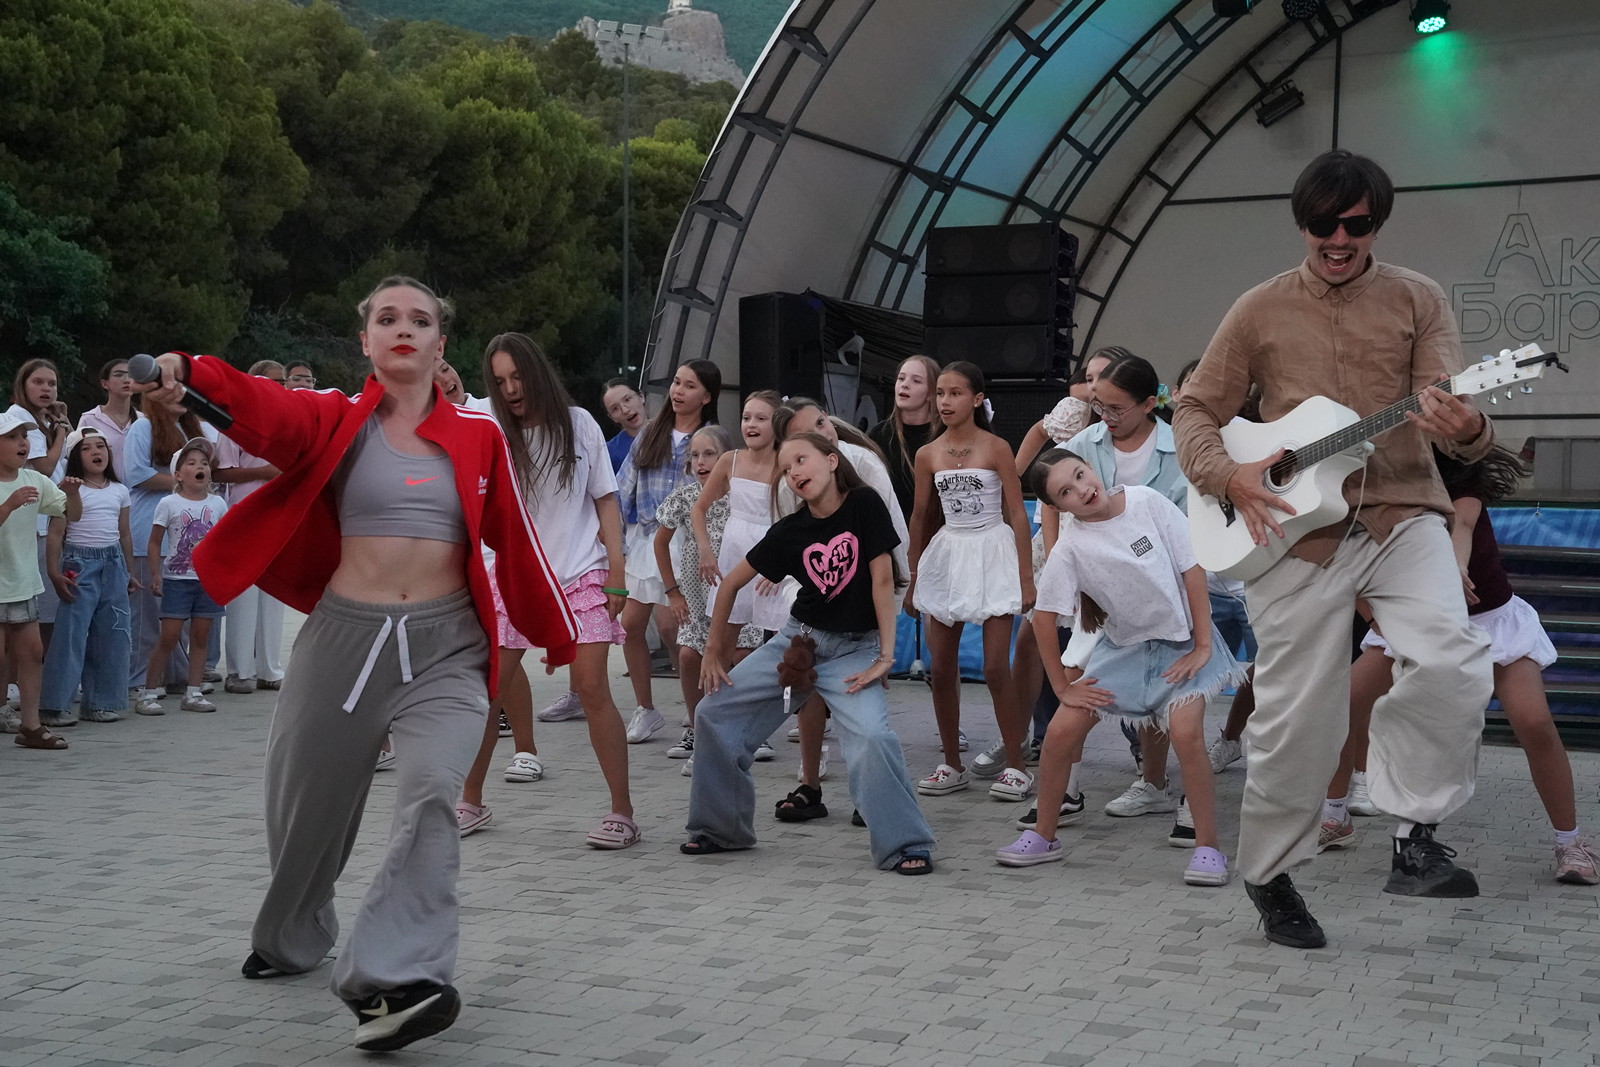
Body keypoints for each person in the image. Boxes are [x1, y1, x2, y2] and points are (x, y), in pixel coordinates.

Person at [136, 275, 577, 1053]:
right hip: (343, 640)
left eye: (421, 319)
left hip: (447, 649)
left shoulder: (479, 437)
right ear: (365, 339)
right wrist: (191, 371)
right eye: (387, 317)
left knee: (432, 795)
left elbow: (515, 535)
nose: (404, 327)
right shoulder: (335, 418)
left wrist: (557, 631)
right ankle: (291, 935)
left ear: (441, 343)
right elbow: (267, 409)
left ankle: (395, 979)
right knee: (305, 814)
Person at [1173, 149, 1495, 950]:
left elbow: (1451, 413)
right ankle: (1270, 873)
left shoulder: (1418, 297)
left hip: (1404, 510)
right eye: (1324, 223)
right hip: (1294, 528)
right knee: (1294, 722)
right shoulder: (1258, 308)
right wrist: (1228, 475)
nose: (1339, 238)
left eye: (1356, 223)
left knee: (1453, 661)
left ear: (1376, 223)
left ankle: (1412, 829)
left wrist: (1469, 427)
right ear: (1303, 223)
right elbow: (1195, 409)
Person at [1321, 445, 1598, 884]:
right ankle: (1334, 816)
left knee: (1534, 723)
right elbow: (1350, 569)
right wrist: (1378, 620)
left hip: (1491, 622)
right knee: (1344, 705)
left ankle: (1571, 843)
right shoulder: (1369, 491)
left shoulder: (1459, 481)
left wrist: (1454, 570)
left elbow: (1462, 527)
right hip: (1415, 623)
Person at [681, 433, 936, 873]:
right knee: (712, 712)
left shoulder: (864, 504)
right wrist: (713, 651)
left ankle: (905, 843)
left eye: (801, 460)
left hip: (856, 651)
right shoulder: (790, 530)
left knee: (873, 737)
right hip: (797, 644)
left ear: (832, 460)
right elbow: (730, 583)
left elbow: (882, 580)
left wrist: (885, 657)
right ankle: (721, 830)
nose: (794, 473)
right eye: (786, 469)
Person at [995, 449, 1241, 884]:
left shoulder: (1146, 501)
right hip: (1122, 651)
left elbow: (1192, 568)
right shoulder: (1070, 547)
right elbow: (1044, 616)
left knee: (1186, 735)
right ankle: (1044, 836)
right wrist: (1062, 686)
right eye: (1065, 492)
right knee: (1060, 733)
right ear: (1057, 507)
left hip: (1182, 645)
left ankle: (1208, 848)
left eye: (1080, 474)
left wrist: (1203, 645)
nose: (1081, 490)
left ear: (1092, 467)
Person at [454, 333, 636, 849]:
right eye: (500, 381)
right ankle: (469, 801)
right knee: (489, 692)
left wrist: (617, 571)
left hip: (580, 574)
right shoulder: (489, 426)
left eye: (518, 376)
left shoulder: (579, 424)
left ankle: (622, 813)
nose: (511, 389)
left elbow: (605, 500)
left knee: (593, 687)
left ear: (537, 373)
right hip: (512, 576)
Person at [770, 398, 911, 814]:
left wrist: (890, 604)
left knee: (860, 698)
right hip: (813, 595)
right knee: (807, 681)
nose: (823, 431)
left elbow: (891, 537)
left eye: (821, 421)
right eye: (807, 431)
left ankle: (869, 795)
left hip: (866, 597)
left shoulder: (863, 464)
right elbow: (787, 541)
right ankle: (810, 784)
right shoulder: (788, 480)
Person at [905, 361, 1035, 802]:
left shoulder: (997, 447)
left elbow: (1017, 513)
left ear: (977, 399)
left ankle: (1016, 765)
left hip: (992, 552)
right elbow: (920, 517)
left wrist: (1026, 577)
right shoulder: (928, 454)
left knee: (997, 666)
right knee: (941, 668)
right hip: (948, 554)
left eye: (956, 393)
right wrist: (913, 579)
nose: (945, 402)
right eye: (940, 393)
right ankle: (951, 763)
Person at [615, 360, 721, 742]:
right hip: (649, 538)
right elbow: (622, 487)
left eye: (689, 385)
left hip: (689, 543)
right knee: (629, 625)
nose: (678, 391)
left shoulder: (711, 438)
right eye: (676, 382)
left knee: (673, 628)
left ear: (706, 396)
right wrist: (616, 544)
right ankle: (646, 709)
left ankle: (696, 713)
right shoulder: (650, 433)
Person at [653, 425, 764, 772]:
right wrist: (672, 592)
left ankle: (748, 728)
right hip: (697, 599)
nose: (700, 462)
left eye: (709, 454)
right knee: (688, 656)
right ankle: (698, 728)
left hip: (737, 596)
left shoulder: (741, 495)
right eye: (694, 456)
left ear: (727, 458)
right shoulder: (685, 498)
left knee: (742, 656)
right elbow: (659, 543)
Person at [39, 428, 135, 727]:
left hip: (113, 564)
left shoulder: (120, 490)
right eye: (87, 447)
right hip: (78, 565)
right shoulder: (68, 489)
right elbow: (57, 533)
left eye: (101, 446)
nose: (96, 452)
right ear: (75, 457)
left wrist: (129, 571)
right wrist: (54, 572)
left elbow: (124, 533)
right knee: (71, 636)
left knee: (113, 634)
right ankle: (54, 706)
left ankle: (100, 703)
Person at [0, 410, 79, 748]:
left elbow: (71, 514)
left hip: (22, 583)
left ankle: (30, 727)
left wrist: (72, 495)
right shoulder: (17, 489)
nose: (23, 443)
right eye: (12, 437)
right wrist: (9, 505)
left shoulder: (34, 479)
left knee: (32, 653)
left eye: (24, 436)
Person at [133, 438, 227, 715]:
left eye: (204, 463)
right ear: (178, 474)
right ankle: (148, 692)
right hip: (177, 580)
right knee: (169, 636)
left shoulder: (218, 503)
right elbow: (154, 542)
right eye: (192, 463)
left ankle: (193, 692)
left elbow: (225, 540)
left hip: (206, 581)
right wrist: (155, 573)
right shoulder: (169, 503)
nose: (200, 467)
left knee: (201, 636)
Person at [123, 401, 210, 690]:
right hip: (148, 531)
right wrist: (184, 484)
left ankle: (177, 677)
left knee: (177, 618)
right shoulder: (143, 426)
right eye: (172, 389)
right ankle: (139, 679)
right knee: (147, 618)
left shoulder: (187, 428)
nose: (180, 396)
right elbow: (137, 474)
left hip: (183, 542)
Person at [213, 361, 287, 695]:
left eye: (283, 381)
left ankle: (269, 669)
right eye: (273, 381)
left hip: (279, 512)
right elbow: (221, 472)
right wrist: (263, 473)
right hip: (245, 512)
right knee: (244, 594)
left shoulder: (286, 422)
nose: (279, 386)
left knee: (274, 594)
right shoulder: (234, 421)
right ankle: (239, 671)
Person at [692, 390, 786, 642]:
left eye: (761, 419)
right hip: (734, 554)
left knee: (781, 634)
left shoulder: (786, 464)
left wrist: (784, 562)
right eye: (746, 418)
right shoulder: (729, 460)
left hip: (773, 551)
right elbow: (699, 508)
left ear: (777, 423)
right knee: (723, 636)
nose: (751, 424)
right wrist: (705, 550)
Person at [7, 359, 71, 647]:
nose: (46, 389)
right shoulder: (19, 418)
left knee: (46, 609)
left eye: (52, 384)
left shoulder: (43, 419)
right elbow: (45, 466)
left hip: (50, 517)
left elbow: (66, 461)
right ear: (23, 385)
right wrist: (61, 432)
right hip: (31, 521)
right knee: (31, 612)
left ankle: (39, 668)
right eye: (38, 382)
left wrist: (60, 424)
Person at [867, 354, 942, 519]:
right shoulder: (879, 434)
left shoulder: (944, 435)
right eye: (901, 378)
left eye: (916, 381)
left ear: (932, 394)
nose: (905, 385)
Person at [76, 357, 146, 480]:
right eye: (119, 375)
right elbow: (79, 459)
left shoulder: (144, 421)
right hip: (105, 488)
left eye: (131, 376)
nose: (126, 380)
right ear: (105, 384)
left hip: (140, 489)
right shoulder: (90, 419)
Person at [602, 378, 648, 474]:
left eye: (627, 399)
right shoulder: (609, 453)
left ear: (641, 396)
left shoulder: (673, 433)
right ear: (612, 418)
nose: (625, 410)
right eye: (615, 408)